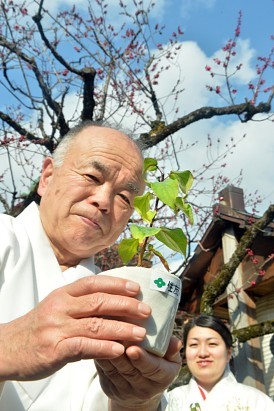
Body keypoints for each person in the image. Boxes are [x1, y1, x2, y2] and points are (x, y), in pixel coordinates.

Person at [0, 121, 182, 411]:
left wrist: (139, 401)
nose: (104, 201)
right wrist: (8, 347)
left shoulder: (119, 301)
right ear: (47, 176)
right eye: (91, 176)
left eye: (124, 196)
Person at [166, 314, 274, 410]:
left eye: (212, 344)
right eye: (194, 345)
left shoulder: (256, 401)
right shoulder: (169, 400)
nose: (203, 353)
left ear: (228, 353)